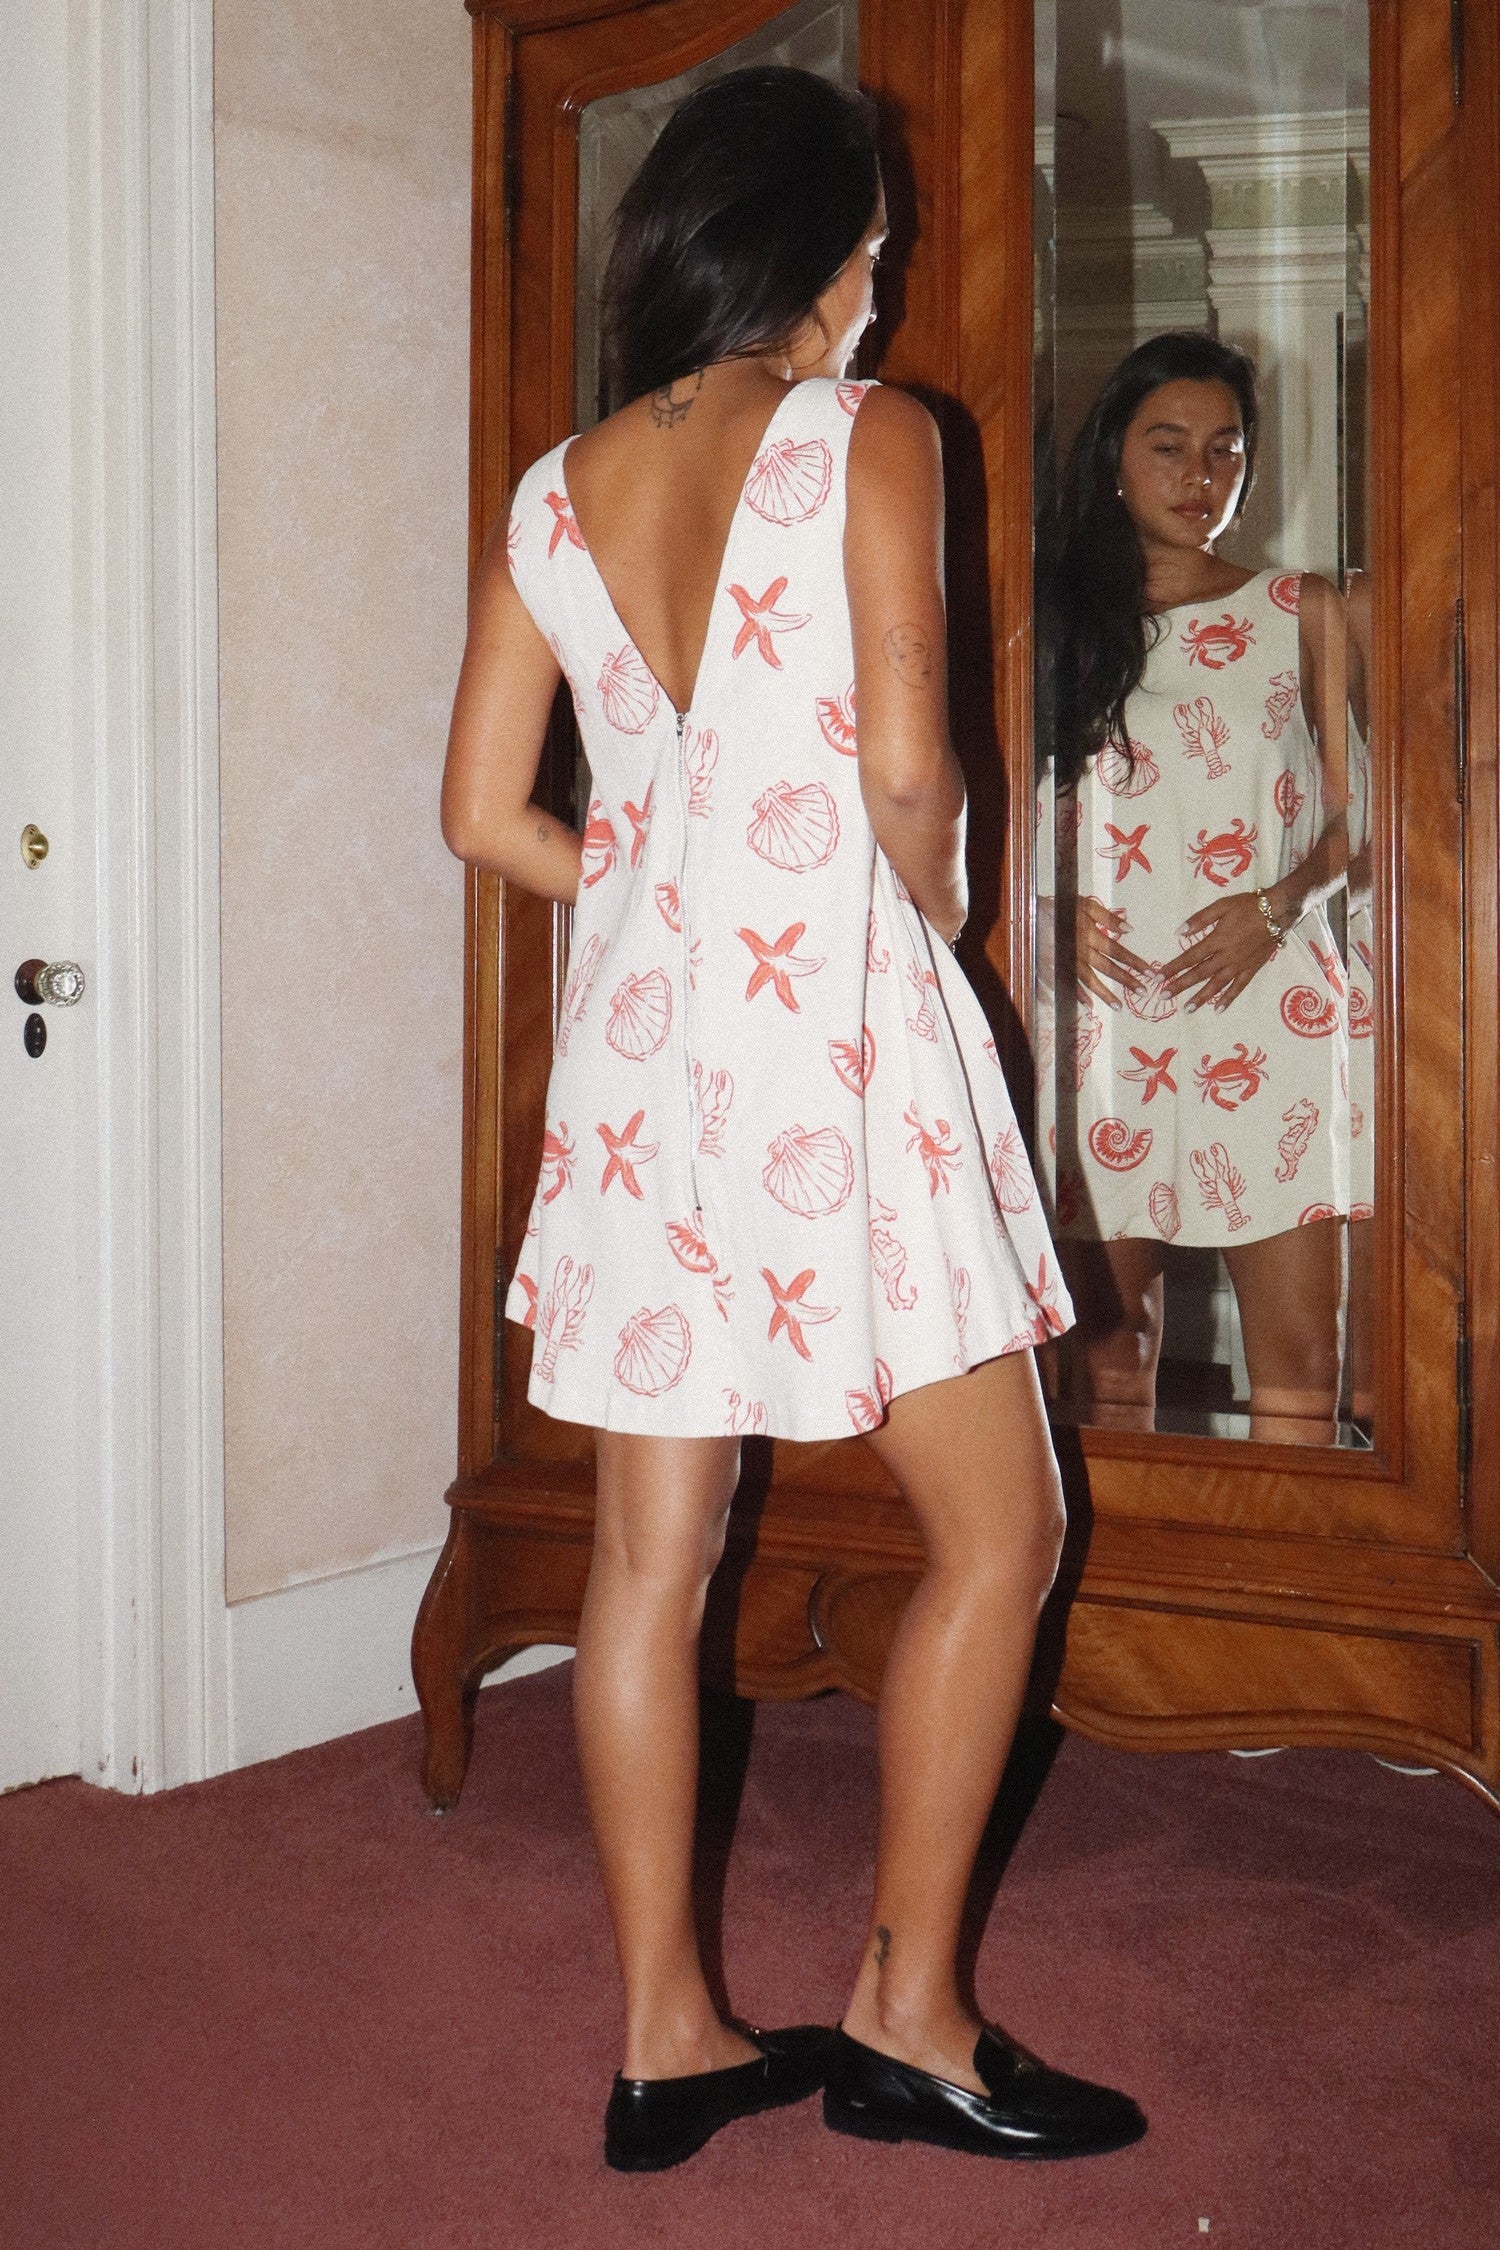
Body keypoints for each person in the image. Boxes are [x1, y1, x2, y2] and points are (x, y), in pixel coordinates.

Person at [442, 64, 1143, 2171]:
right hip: (828, 1035)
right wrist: (933, 916)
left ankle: (668, 2036)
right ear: (819, 252)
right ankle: (908, 2017)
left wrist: (655, 885)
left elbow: (480, 813)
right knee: (1002, 1532)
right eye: (878, 250)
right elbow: (911, 768)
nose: (884, 288)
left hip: (645, 1067)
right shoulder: (867, 432)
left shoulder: (555, 492)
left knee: (647, 1563)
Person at [1038, 333, 1351, 1444]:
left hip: (1269, 1005)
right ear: (1113, 459)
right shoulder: (1048, 619)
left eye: (1226, 449)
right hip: (1103, 1019)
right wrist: (1042, 911)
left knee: (1302, 1362)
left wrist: (1278, 906)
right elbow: (980, 807)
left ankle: (1285, 1564)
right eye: (1167, 446)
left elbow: (1363, 820)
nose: (1199, 475)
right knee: (1107, 1358)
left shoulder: (1300, 610)